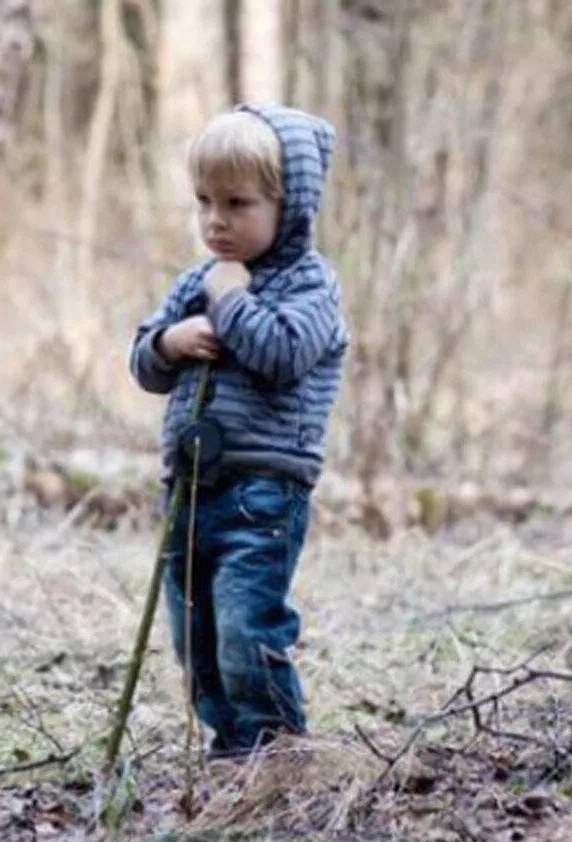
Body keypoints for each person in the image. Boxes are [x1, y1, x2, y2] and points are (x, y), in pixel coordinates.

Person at [127, 104, 347, 760]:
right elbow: (144, 364)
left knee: (246, 627)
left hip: (263, 490)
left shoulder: (310, 285)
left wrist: (229, 298)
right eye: (203, 201)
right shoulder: (195, 282)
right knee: (193, 631)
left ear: (290, 205)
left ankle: (277, 751)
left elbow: (281, 353)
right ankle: (231, 752)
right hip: (191, 488)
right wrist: (168, 341)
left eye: (237, 203)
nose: (215, 220)